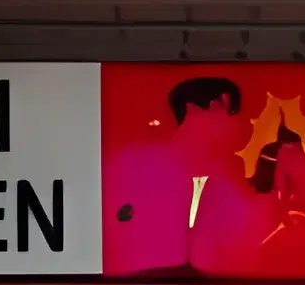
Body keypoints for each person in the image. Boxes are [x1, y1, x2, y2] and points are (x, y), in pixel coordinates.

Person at [106, 75, 253, 274]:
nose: (238, 125)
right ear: (219, 103)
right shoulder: (137, 165)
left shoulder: (220, 180)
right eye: (233, 112)